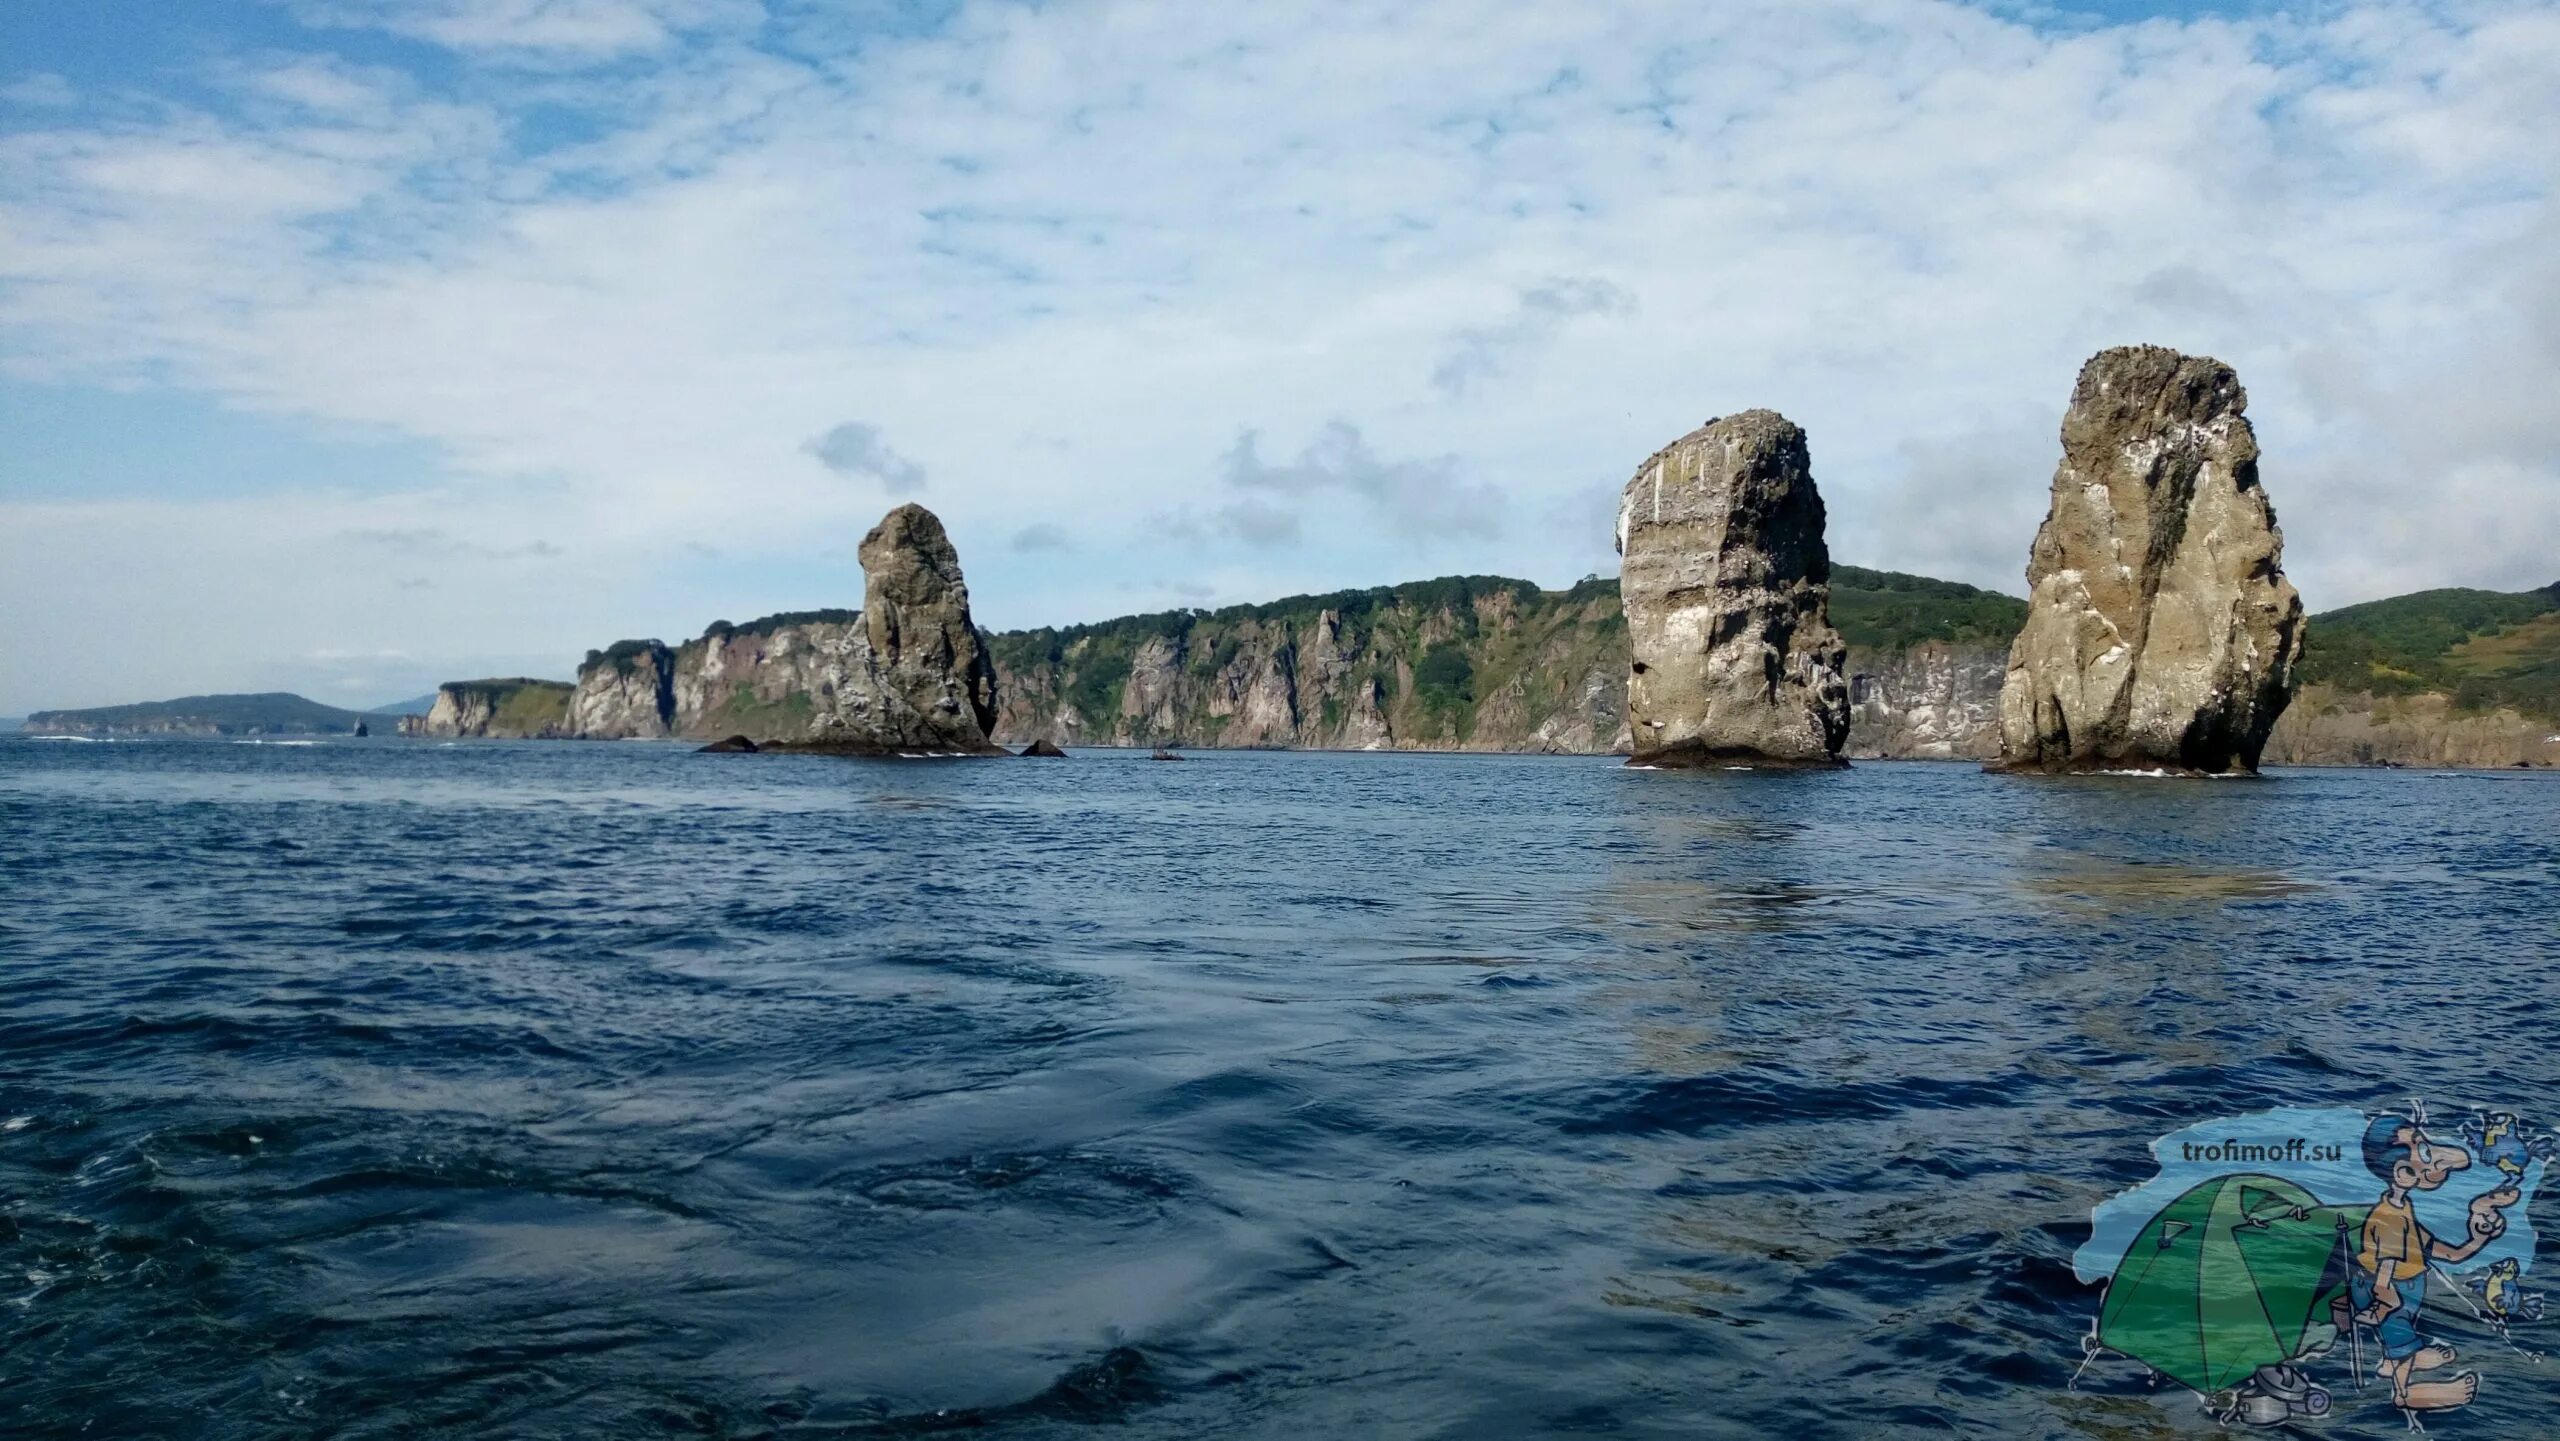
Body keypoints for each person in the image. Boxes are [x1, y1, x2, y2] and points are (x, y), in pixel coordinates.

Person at [2351, 1112, 2521, 1411]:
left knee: (2400, 1338)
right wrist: (2386, 1301)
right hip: (2388, 1290)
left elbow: (2449, 1254)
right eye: (2423, 1149)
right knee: (2399, 1337)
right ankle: (2405, 1393)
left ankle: (2394, 1359)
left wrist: (2478, 1238)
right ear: (2402, 1173)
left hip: (2406, 1287)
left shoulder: (2405, 1212)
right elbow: (2385, 1269)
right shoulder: (2389, 1217)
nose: (2438, 1158)